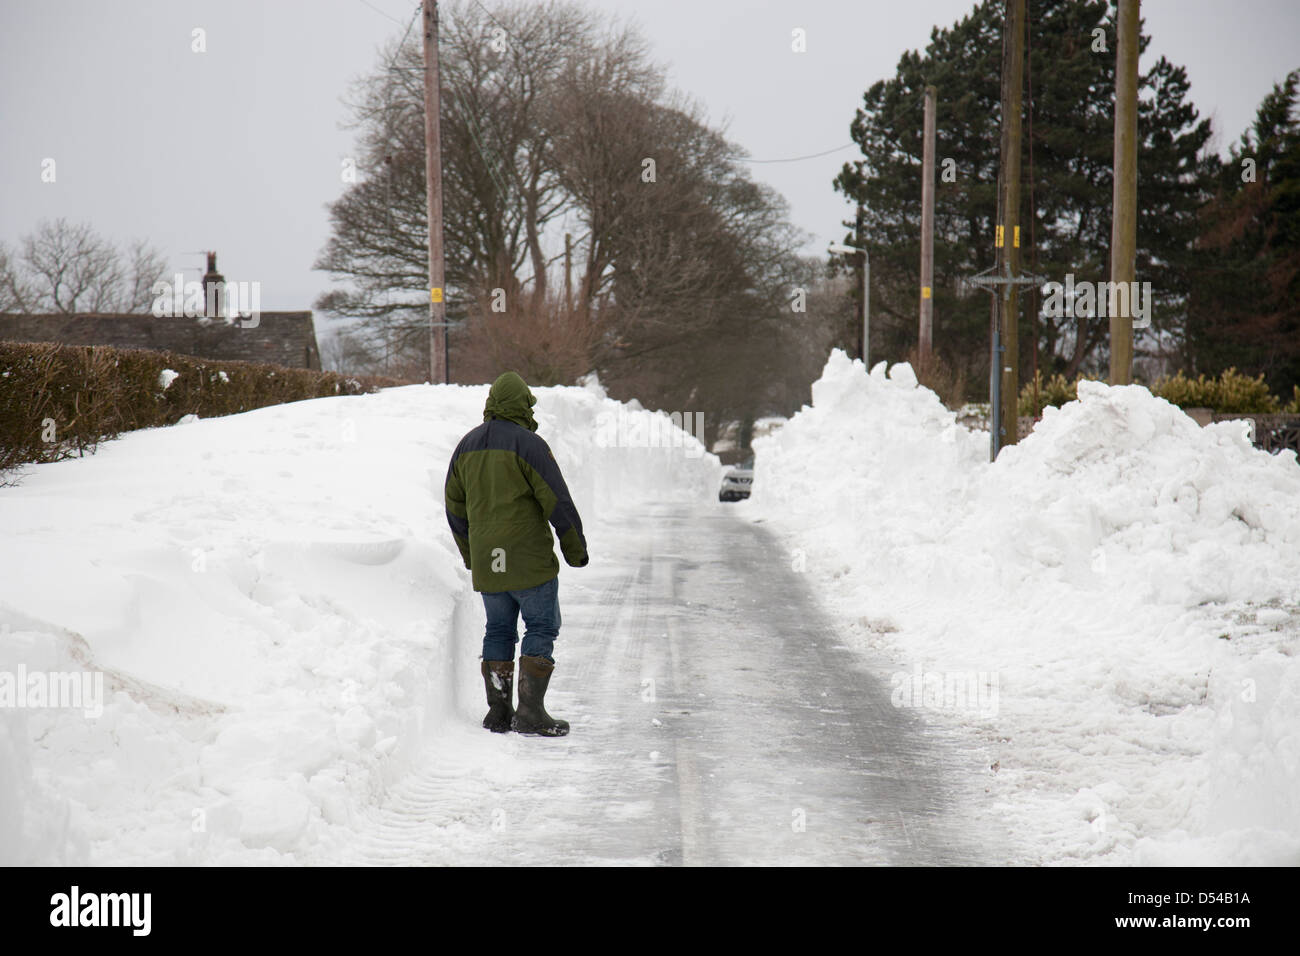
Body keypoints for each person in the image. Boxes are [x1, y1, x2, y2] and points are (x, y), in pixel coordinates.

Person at [444, 371, 589, 737]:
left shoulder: (466, 446)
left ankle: (498, 711)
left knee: (499, 629)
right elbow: (557, 499)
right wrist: (575, 548)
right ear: (523, 404)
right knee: (540, 627)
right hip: (529, 560)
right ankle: (530, 711)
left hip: (489, 562)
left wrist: (471, 555)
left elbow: (455, 509)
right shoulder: (529, 445)